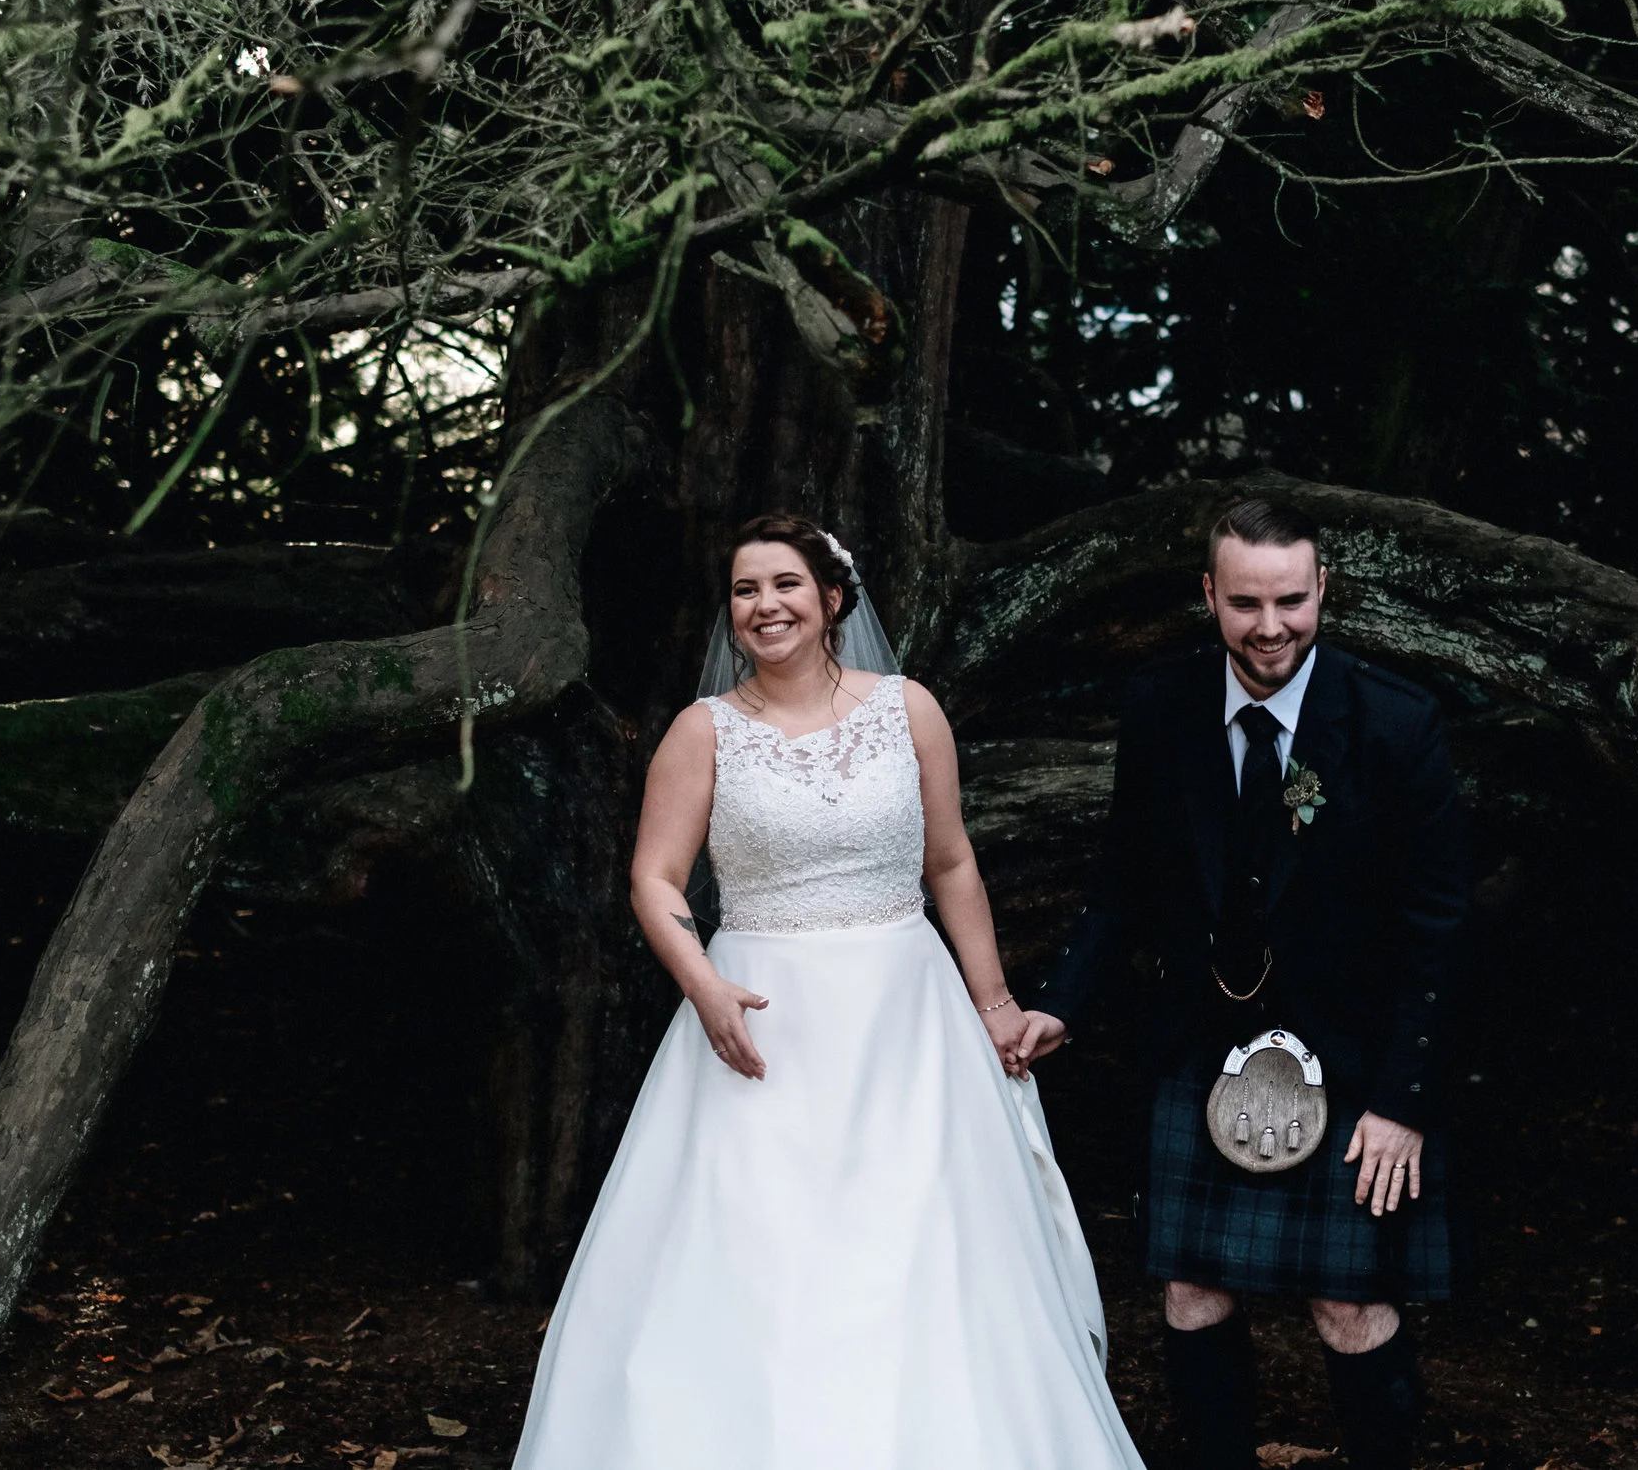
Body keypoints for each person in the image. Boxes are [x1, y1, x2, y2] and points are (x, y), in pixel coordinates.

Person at [511, 514, 1144, 1470]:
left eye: (785, 584)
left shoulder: (908, 708)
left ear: (832, 599)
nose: (764, 604)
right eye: (745, 589)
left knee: (920, 1241)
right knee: (760, 1250)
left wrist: (996, 1004)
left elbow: (952, 862)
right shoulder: (705, 730)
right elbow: (654, 878)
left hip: (906, 1019)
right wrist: (706, 988)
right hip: (761, 1018)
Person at [1018, 496, 1472, 1470]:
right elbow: (1123, 880)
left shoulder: (1391, 721)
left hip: (1353, 1052)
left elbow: (1435, 928)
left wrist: (1402, 1100)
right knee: (1192, 1289)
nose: (1271, 626)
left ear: (1323, 590)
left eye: (1292, 600)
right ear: (1209, 595)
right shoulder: (1161, 703)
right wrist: (1059, 999)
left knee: (1348, 1302)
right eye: (1246, 602)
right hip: (1202, 1038)